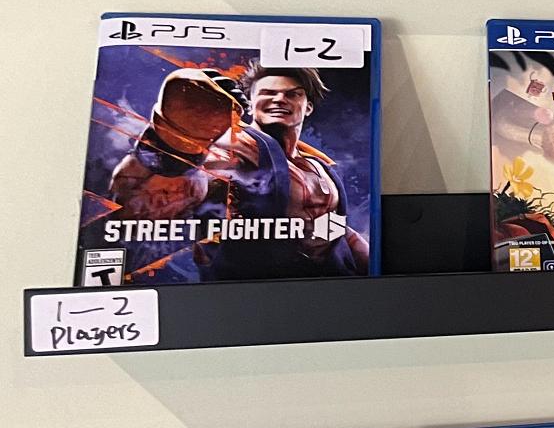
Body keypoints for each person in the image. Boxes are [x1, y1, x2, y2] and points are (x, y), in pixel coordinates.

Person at [108, 62, 368, 278]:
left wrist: (371, 269)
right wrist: (172, 140)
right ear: (251, 103)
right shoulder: (232, 148)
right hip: (252, 292)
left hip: (327, 287)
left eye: (293, 94)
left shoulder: (320, 166)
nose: (279, 98)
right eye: (267, 92)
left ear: (308, 106)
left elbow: (336, 229)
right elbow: (140, 193)